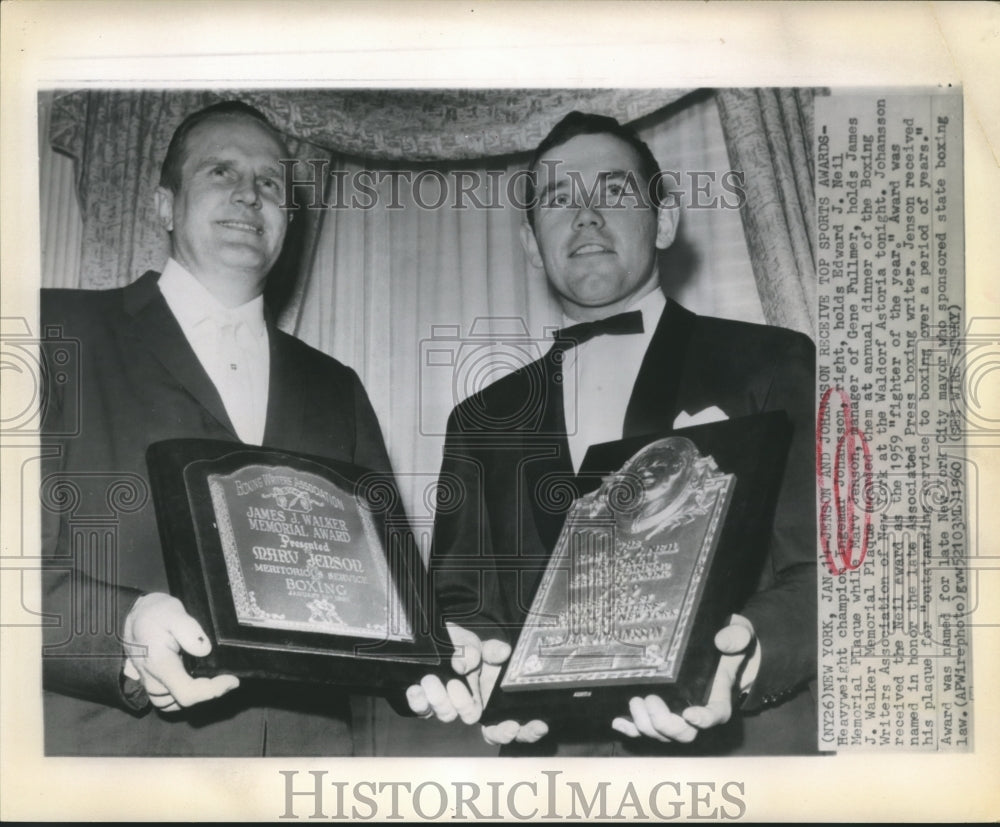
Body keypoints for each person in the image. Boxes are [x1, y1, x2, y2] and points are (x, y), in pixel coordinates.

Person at [407, 111, 817, 756]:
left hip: (734, 756)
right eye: (559, 200)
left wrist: (743, 660)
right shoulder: (480, 419)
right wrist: (479, 667)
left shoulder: (774, 363)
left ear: (667, 221)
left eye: (615, 191)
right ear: (531, 242)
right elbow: (464, 599)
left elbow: (824, 568)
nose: (586, 215)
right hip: (554, 767)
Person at [40, 101, 395, 756]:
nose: (248, 195)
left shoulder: (336, 387)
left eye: (269, 182)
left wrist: (440, 649)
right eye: (220, 172)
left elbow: (388, 597)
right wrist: (123, 627)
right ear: (164, 205)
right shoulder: (52, 330)